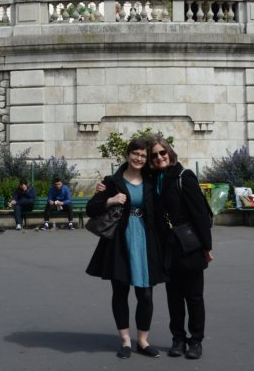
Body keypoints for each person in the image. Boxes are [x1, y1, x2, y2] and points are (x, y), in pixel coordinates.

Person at [86, 139, 166, 359]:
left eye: (143, 155)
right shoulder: (112, 181)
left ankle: (142, 340)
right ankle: (125, 341)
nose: (139, 158)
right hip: (119, 241)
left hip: (146, 241)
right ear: (128, 154)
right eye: (135, 154)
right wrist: (109, 199)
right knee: (120, 292)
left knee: (146, 295)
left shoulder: (152, 180)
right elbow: (91, 209)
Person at [149, 136, 213, 360]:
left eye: (162, 153)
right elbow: (129, 167)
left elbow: (200, 214)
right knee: (173, 298)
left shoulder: (184, 177)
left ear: (170, 153)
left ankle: (195, 340)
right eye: (154, 155)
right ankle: (178, 338)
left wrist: (206, 246)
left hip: (189, 246)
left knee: (194, 297)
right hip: (167, 249)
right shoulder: (154, 179)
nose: (159, 157)